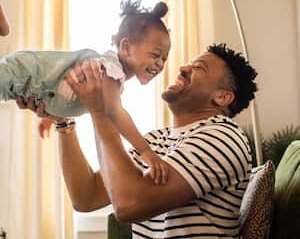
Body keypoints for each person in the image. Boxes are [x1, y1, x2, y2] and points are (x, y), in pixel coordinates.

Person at [17, 43, 257, 238]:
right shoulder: (156, 140)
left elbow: (129, 204)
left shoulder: (223, 136)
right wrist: (64, 121)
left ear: (222, 97)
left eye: (199, 67)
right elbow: (86, 197)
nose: (183, 67)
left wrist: (101, 110)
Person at [5, 0, 171, 183]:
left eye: (164, 59)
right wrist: (146, 151)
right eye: (155, 54)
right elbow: (114, 113)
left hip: (23, 80)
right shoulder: (111, 70)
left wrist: (51, 115)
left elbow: (63, 86)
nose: (160, 63)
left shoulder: (109, 74)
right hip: (23, 72)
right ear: (126, 47)